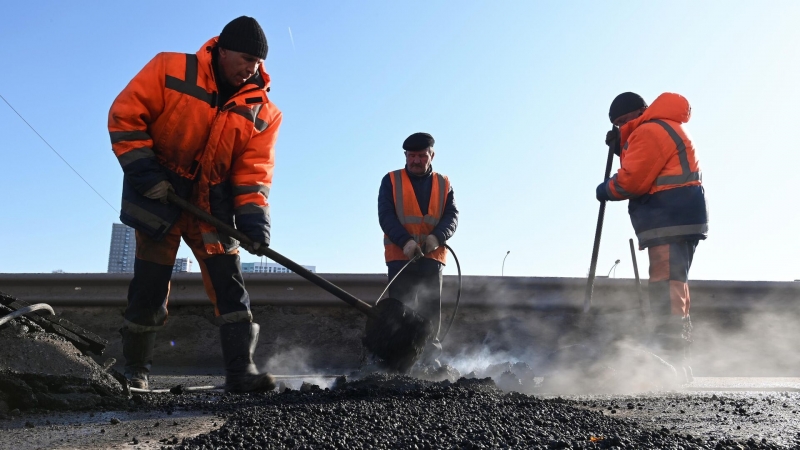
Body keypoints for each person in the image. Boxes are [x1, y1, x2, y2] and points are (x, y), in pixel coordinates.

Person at [108, 16, 282, 392]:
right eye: (244, 58)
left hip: (212, 203)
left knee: (230, 287)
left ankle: (241, 371)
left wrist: (254, 225)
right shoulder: (169, 68)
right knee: (150, 286)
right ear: (221, 49)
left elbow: (254, 174)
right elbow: (125, 117)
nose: (250, 68)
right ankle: (134, 370)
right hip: (160, 195)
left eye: (256, 62)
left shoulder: (262, 111)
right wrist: (148, 177)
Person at [597, 92, 708, 382]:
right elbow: (648, 163)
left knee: (665, 283)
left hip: (669, 216)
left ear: (640, 112)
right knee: (675, 284)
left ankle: (669, 356)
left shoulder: (649, 130)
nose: (622, 127)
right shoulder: (660, 127)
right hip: (678, 216)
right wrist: (623, 147)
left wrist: (607, 189)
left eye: (623, 121)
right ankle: (678, 363)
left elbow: (633, 179)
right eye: (617, 125)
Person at [378, 132, 458, 367]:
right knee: (400, 308)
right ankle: (398, 361)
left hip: (432, 257)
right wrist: (406, 242)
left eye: (421, 156)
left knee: (431, 308)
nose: (415, 160)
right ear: (405, 155)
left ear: (431, 155)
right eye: (411, 156)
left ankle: (428, 360)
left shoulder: (444, 183)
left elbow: (452, 217)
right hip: (399, 256)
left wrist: (437, 237)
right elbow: (386, 216)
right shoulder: (391, 180)